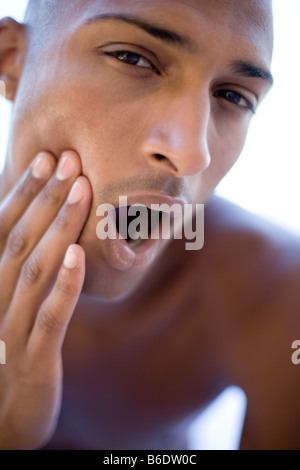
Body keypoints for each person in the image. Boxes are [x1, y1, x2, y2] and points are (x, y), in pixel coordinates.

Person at [0, 0, 299, 450]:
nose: (192, 152)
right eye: (132, 58)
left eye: (233, 96)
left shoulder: (271, 291)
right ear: (11, 59)